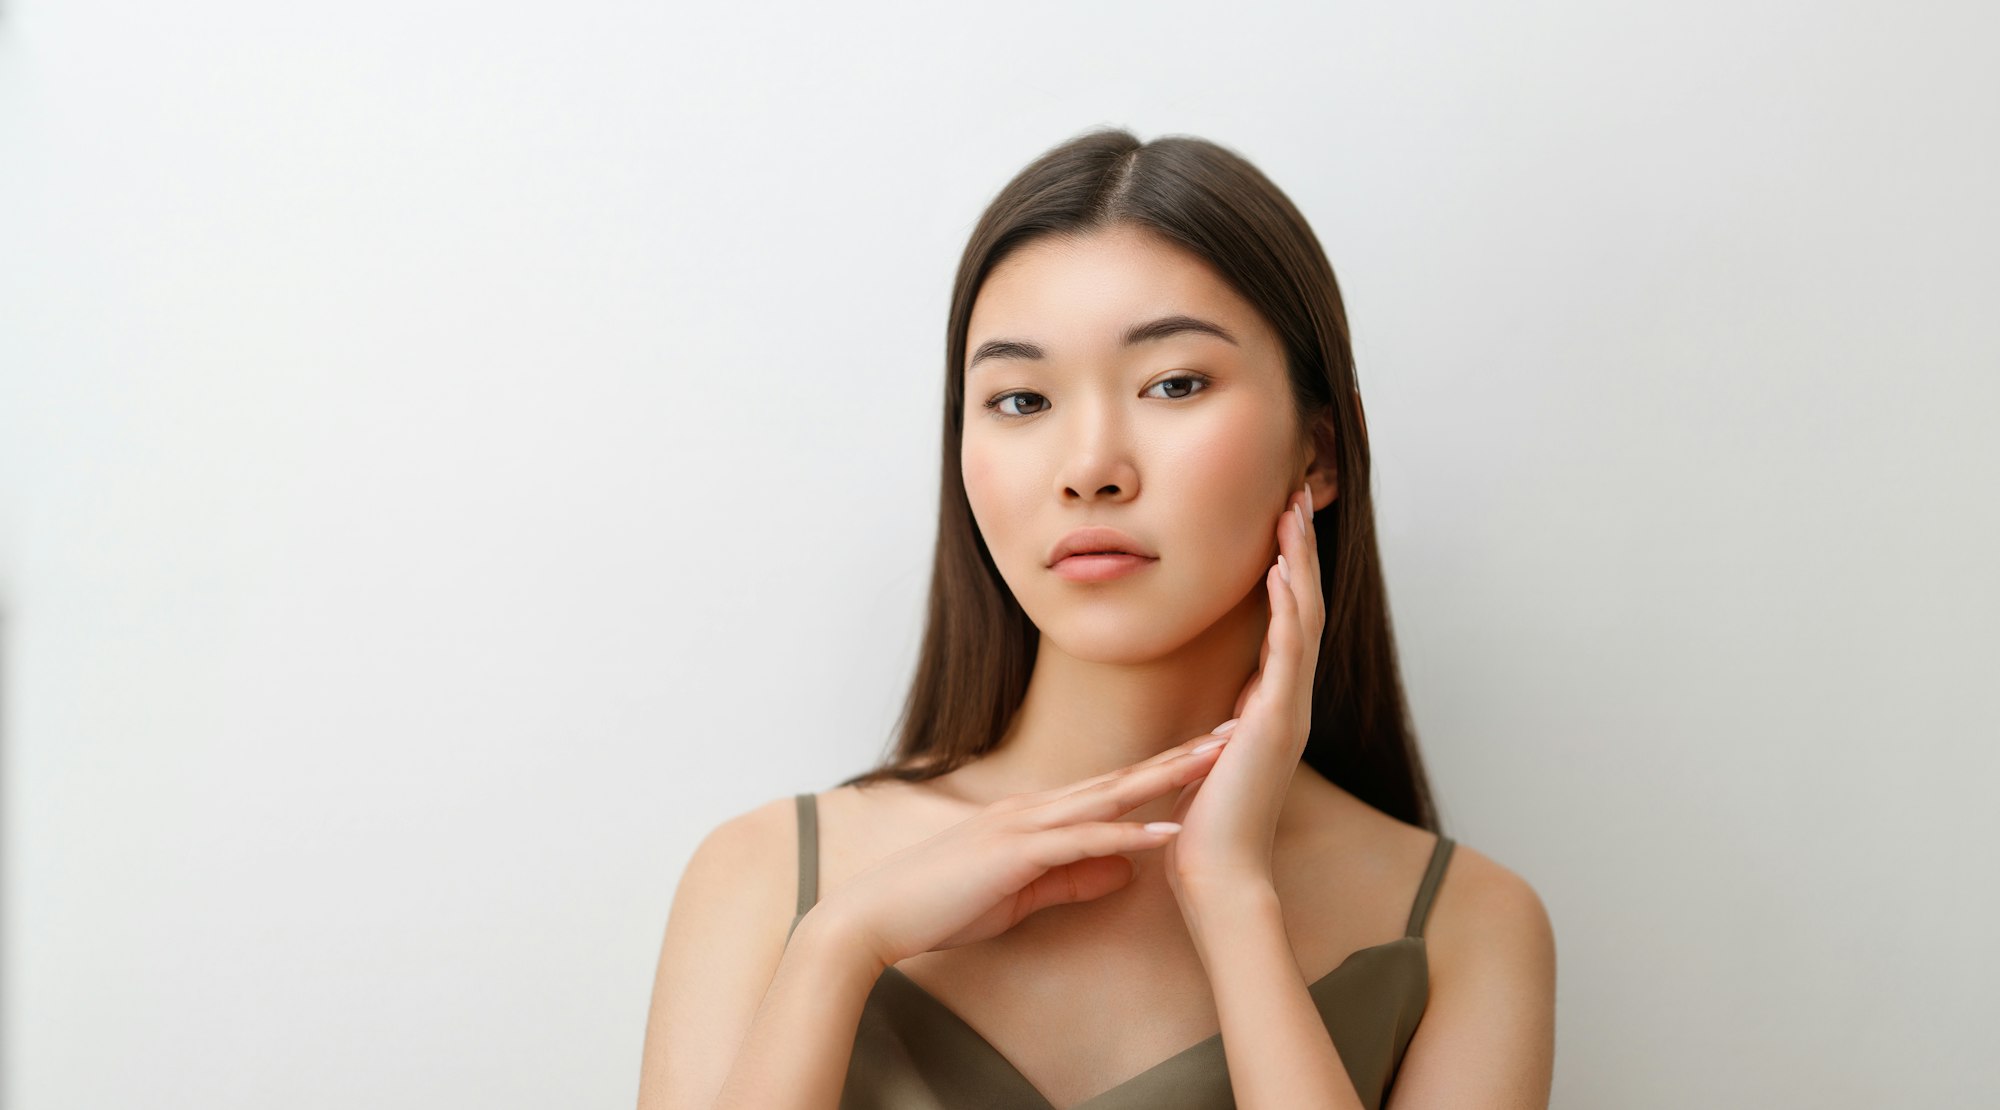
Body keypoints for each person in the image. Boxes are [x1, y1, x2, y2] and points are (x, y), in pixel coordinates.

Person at [638, 128, 1557, 1110]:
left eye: (1172, 384)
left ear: (1319, 453)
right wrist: (838, 947)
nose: (1088, 466)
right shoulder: (765, 879)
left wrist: (1232, 898)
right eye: (1021, 398)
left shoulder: (1465, 926)